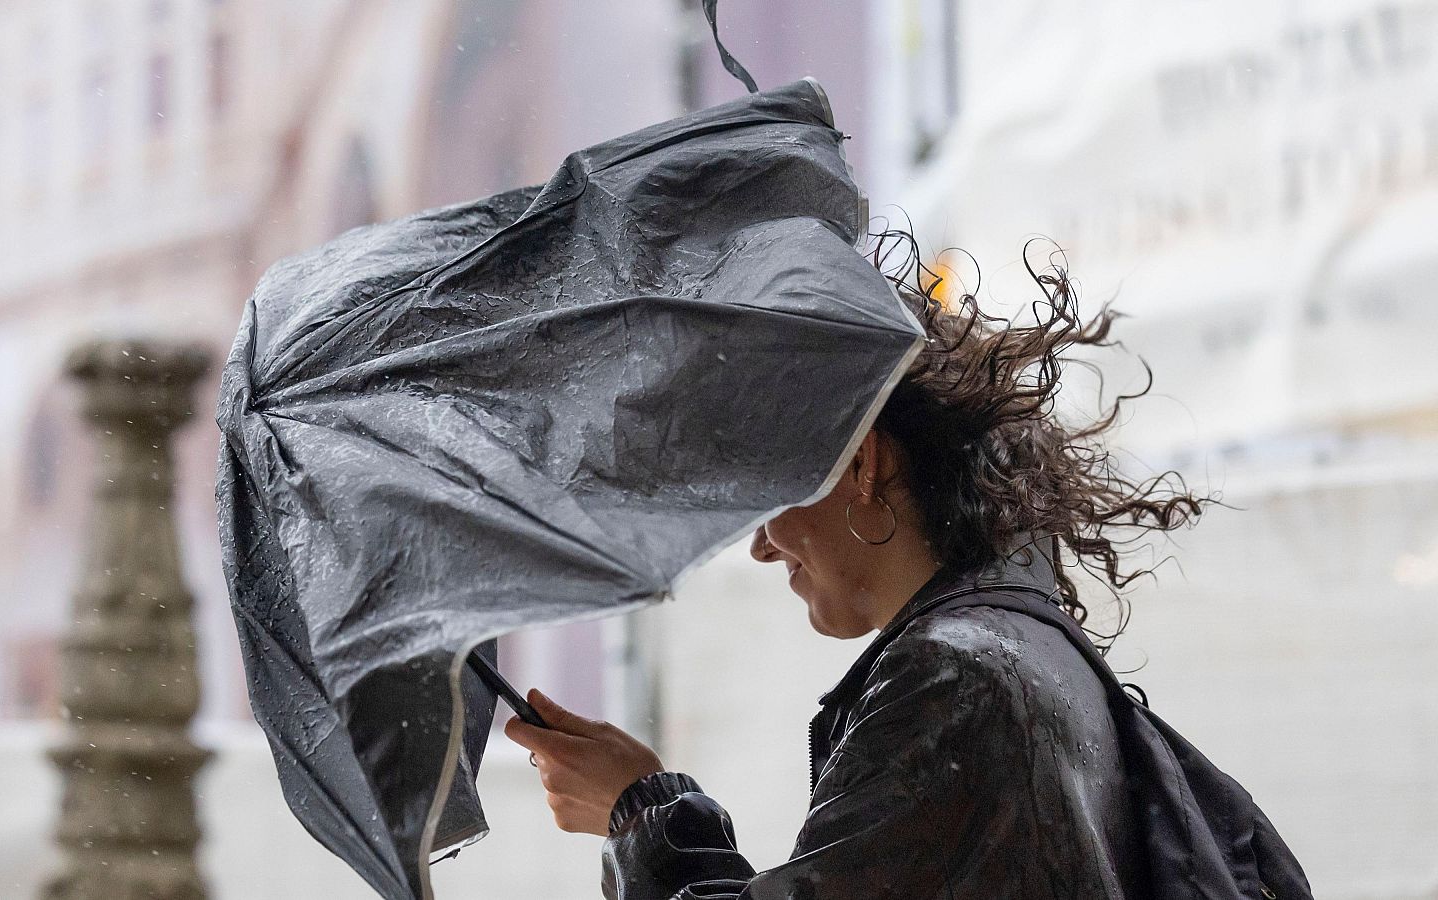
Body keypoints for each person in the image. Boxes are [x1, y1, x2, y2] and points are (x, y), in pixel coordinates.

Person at [504, 235, 1210, 899]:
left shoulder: (959, 678)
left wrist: (641, 816)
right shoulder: (1017, 646)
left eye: (770, 497)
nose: (761, 546)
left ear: (864, 465)